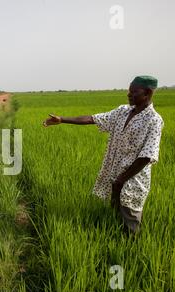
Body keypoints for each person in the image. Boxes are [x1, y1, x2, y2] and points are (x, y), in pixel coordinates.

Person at [43, 76, 164, 234]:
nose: (128, 94)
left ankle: (133, 249)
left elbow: (147, 156)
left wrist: (121, 179)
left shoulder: (154, 120)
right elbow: (92, 119)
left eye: (133, 91)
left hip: (132, 178)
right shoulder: (122, 111)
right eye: (129, 90)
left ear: (147, 93)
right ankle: (114, 243)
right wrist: (62, 119)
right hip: (113, 174)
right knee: (114, 216)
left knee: (130, 217)